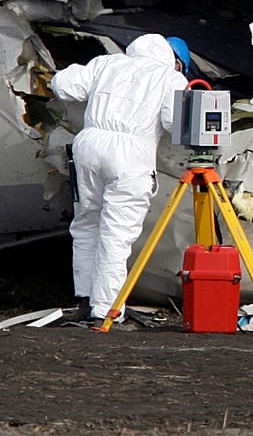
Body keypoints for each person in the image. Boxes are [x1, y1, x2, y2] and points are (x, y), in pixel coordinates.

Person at [51, 33, 190, 325]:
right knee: (116, 234)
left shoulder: (107, 63)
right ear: (176, 62)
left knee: (87, 224)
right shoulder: (171, 78)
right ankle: (107, 310)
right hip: (131, 153)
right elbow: (174, 122)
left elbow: (63, 85)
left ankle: (86, 302)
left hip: (89, 145)